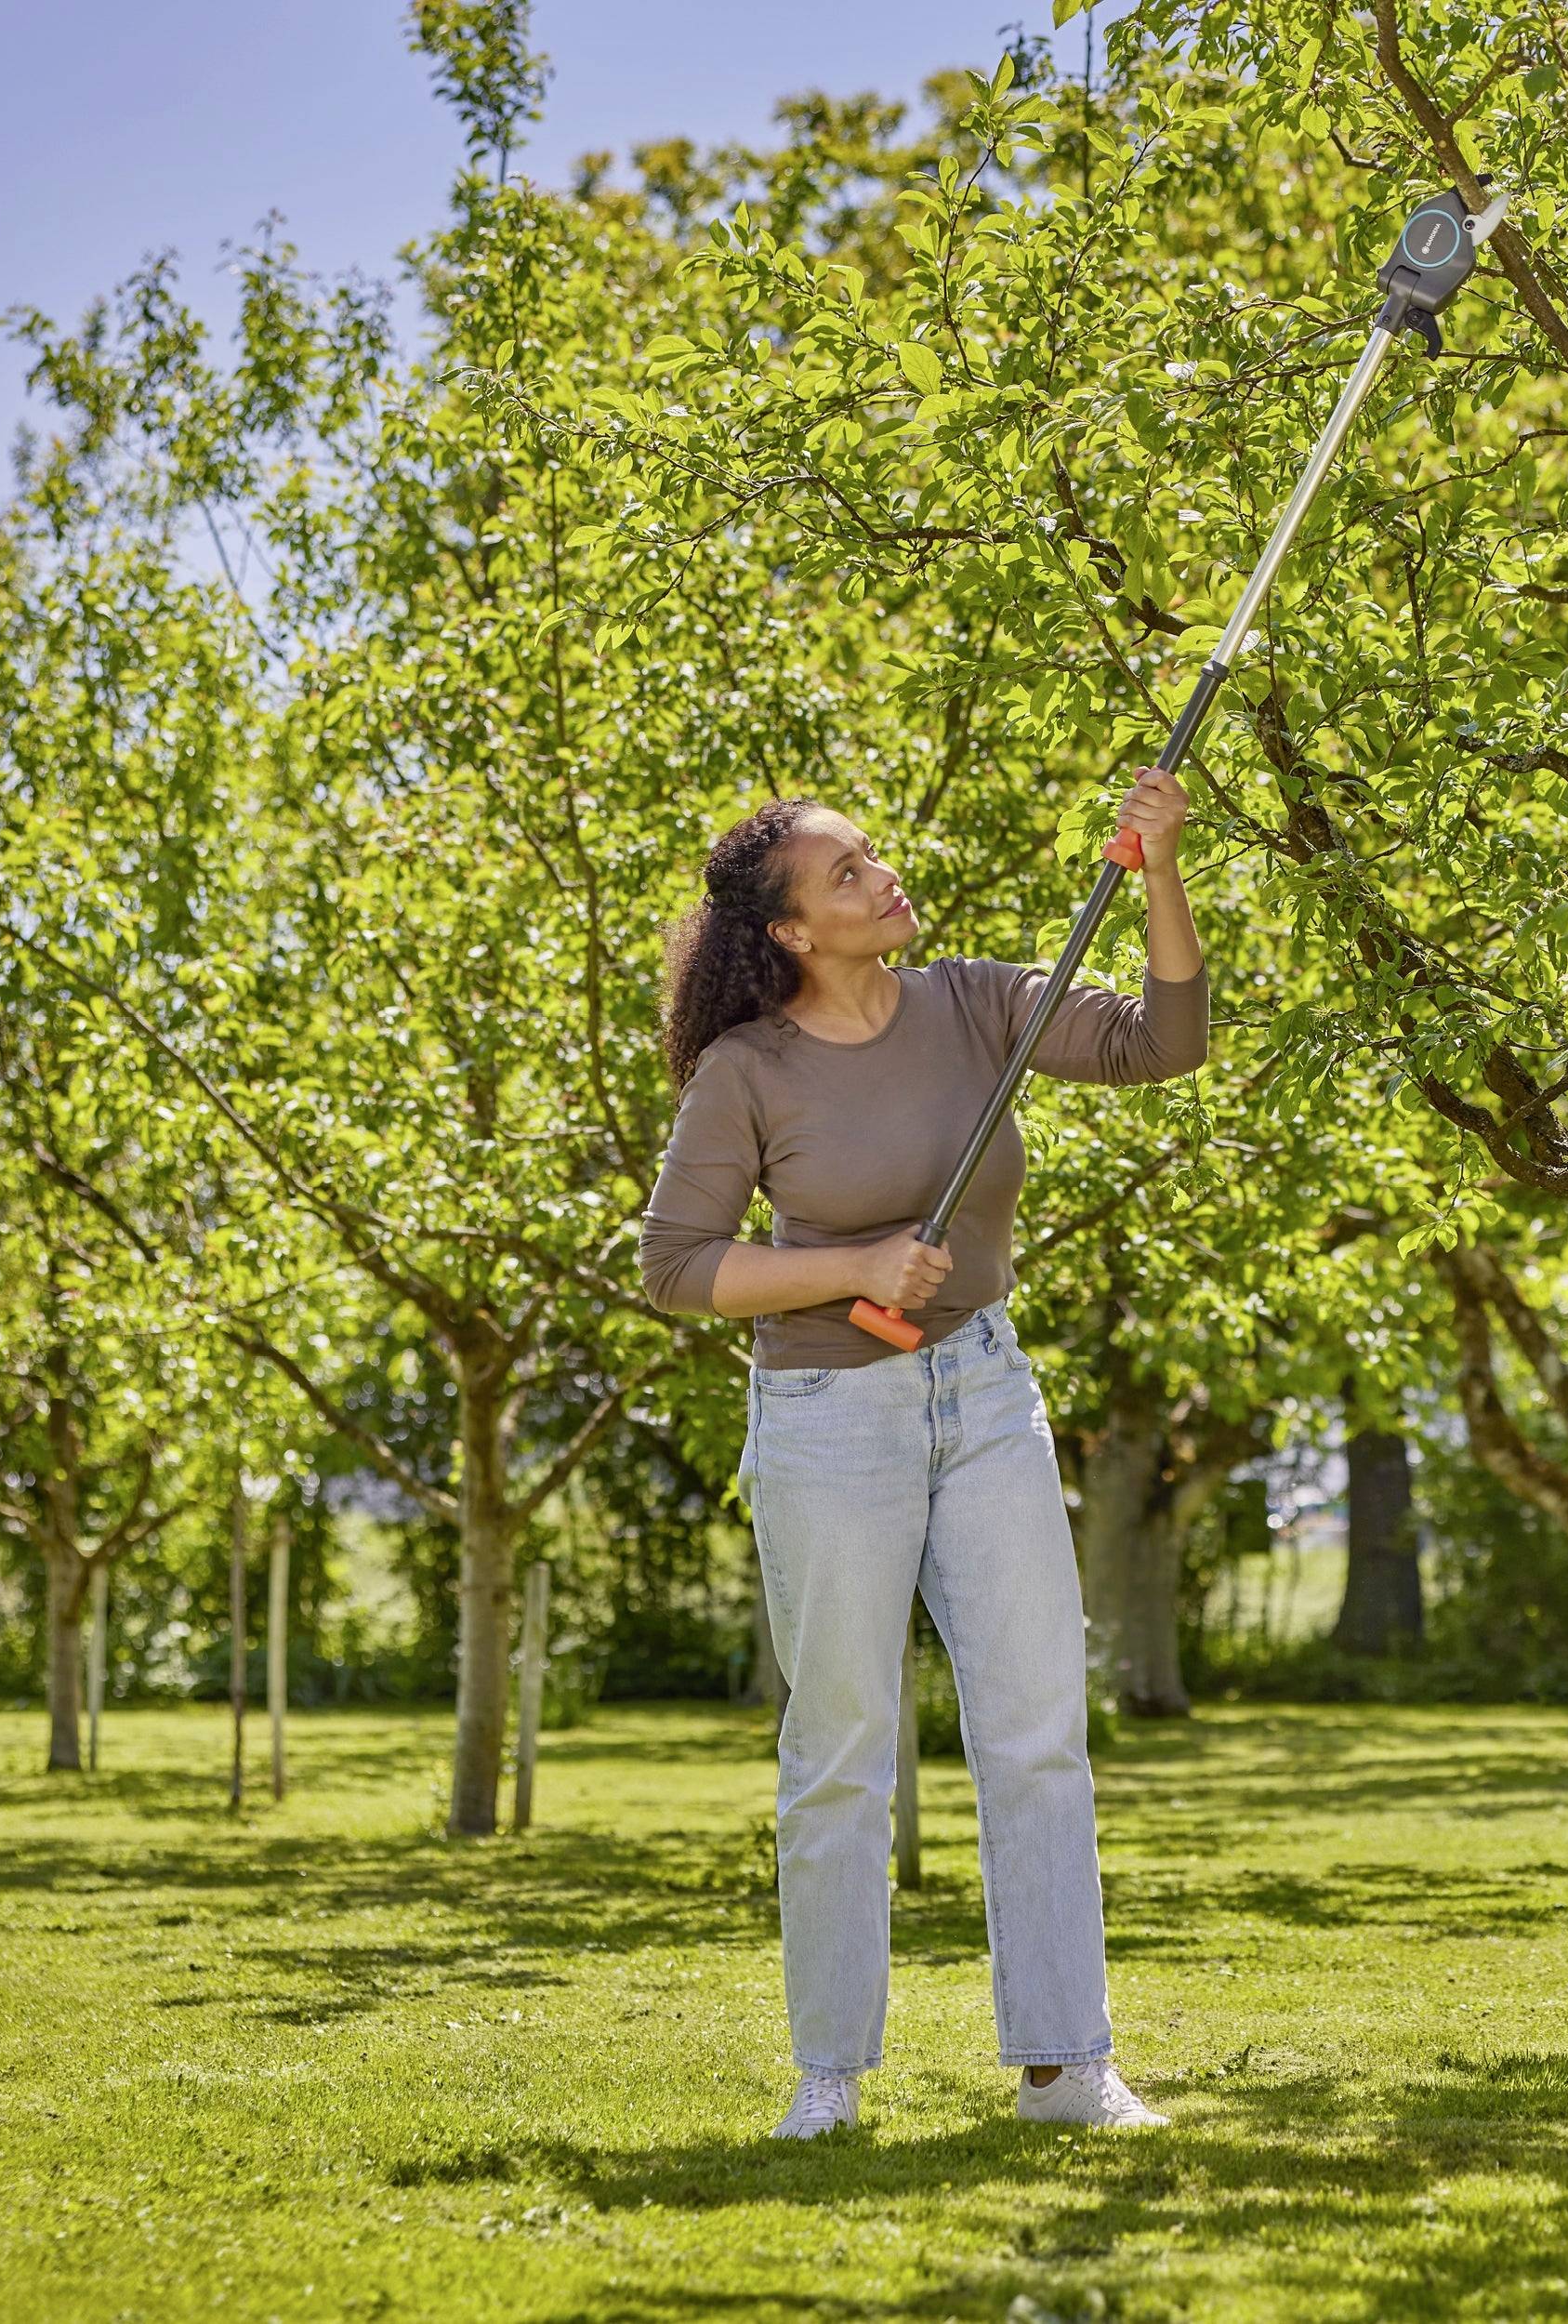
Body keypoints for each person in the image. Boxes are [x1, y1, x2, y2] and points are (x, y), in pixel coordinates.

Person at [639, 770, 1208, 2139]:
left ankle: (1067, 2066)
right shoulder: (747, 1074)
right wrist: (854, 1266)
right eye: (847, 875)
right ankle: (830, 2074)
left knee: (1036, 1735)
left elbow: (1164, 1044)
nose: (883, 877)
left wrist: (1164, 872)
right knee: (842, 1742)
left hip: (986, 1392)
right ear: (788, 933)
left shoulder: (977, 1003)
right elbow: (678, 1266)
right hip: (832, 1418)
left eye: (873, 856)